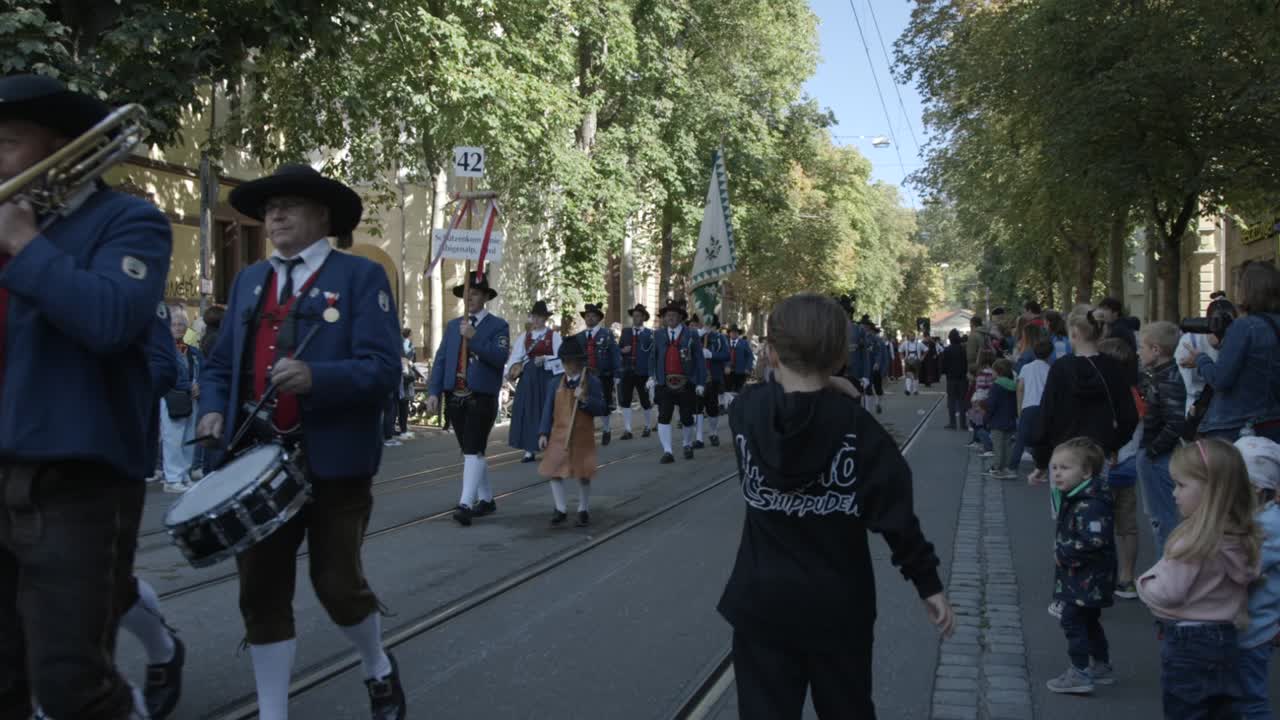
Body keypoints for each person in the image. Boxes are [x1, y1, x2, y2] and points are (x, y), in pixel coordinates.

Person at [198, 163, 405, 720]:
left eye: (289, 205)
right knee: (260, 591)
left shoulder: (360, 278)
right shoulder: (249, 281)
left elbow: (385, 370)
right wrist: (212, 411)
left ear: (323, 216)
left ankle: (377, 665)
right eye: (269, 208)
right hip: (257, 461)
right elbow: (219, 366)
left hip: (334, 462)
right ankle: (272, 712)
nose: (276, 215)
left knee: (338, 584)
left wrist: (321, 378)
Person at [0, 73, 171, 720]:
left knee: (72, 685)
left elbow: (109, 321)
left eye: (8, 141)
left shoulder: (128, 221)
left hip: (74, 481)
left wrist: (23, 244)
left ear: (60, 149)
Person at [717, 293, 953, 719]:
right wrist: (928, 584)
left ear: (770, 352)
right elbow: (897, 519)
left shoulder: (747, 413)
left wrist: (814, 381)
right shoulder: (860, 430)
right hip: (838, 603)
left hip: (762, 600)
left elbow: (768, 393)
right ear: (843, 355)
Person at [1137, 439, 1261, 719]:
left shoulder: (1193, 543)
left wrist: (1144, 584)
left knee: (1186, 710)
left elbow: (1168, 592)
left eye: (1181, 485)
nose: (1173, 494)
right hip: (1228, 638)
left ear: (1210, 491)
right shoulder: (1239, 538)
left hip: (1188, 641)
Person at [426, 269, 511, 527]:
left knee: (473, 448)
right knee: (471, 450)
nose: (470, 298)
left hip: (481, 396)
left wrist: (473, 340)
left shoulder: (498, 326)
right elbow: (441, 361)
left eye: (474, 293)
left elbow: (499, 359)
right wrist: (434, 391)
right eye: (467, 293)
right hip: (456, 396)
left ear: (485, 296)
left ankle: (465, 503)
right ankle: (486, 499)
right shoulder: (453, 326)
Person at [1031, 308, 1139, 485]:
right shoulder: (1113, 367)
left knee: (1065, 509)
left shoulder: (1061, 368)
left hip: (1063, 454)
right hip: (1098, 453)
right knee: (1097, 506)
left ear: (1073, 333)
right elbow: (1128, 415)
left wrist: (1041, 461)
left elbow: (1046, 415)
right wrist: (1113, 445)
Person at [1045, 437, 1117, 694]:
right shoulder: (1078, 496)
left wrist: (1063, 554)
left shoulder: (1090, 504)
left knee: (1072, 620)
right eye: (1054, 468)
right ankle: (1101, 665)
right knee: (1089, 620)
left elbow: (1093, 541)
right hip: (1085, 577)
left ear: (1086, 472)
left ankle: (1079, 672)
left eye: (1064, 468)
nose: (1056, 473)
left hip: (1087, 576)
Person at [1195, 262, 1280, 442]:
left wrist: (1201, 359)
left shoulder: (1245, 326)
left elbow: (1220, 380)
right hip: (1273, 423)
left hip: (1238, 426)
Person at [1232, 436, 1280, 719]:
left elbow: (1244, 571)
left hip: (1254, 629)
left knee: (1251, 700)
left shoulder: (1269, 525)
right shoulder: (1253, 518)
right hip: (1243, 626)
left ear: (1258, 488)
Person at [537, 336, 608, 527]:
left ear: (580, 361)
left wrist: (585, 399)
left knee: (583, 474)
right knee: (554, 472)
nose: (569, 365)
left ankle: (583, 509)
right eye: (565, 361)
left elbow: (602, 407)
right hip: (559, 435)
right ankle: (560, 509)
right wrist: (543, 433)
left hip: (582, 435)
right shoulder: (554, 384)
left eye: (572, 361)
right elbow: (547, 410)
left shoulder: (591, 382)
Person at [1138, 321, 1189, 554]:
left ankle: (1167, 573)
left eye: (1142, 347)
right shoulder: (1161, 375)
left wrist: (1152, 450)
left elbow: (1176, 421)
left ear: (1156, 350)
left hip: (1158, 456)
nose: (1139, 352)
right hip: (1155, 453)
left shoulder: (1168, 378)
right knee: (1160, 518)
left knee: (1162, 519)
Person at [1097, 337, 1142, 600]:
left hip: (1105, 467)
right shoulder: (1134, 392)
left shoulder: (1105, 394)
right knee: (1127, 526)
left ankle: (1101, 577)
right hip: (1128, 466)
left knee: (1099, 525)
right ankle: (1126, 577)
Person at [648, 300, 706, 463]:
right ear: (664, 318)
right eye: (667, 315)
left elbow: (699, 360)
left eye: (674, 315)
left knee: (687, 417)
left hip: (686, 382)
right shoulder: (658, 335)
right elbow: (653, 357)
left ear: (680, 317)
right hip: (664, 382)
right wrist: (651, 376)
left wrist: (700, 382)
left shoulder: (691, 334)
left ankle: (687, 444)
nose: (670, 318)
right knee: (664, 416)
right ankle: (668, 451)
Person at [505, 300, 561, 462]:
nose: (536, 320)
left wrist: (545, 358)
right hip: (529, 378)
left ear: (545, 318)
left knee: (548, 410)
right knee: (529, 410)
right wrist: (510, 371)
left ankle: (550, 447)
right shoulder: (525, 337)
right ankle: (529, 449)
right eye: (534, 317)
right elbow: (516, 356)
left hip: (548, 378)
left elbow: (561, 357)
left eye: (539, 317)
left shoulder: (554, 336)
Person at [160, 304, 203, 493]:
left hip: (191, 396)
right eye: (174, 324)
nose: (178, 327)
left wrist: (198, 384)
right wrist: (188, 385)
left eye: (182, 324)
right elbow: (166, 372)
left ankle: (184, 475)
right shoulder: (163, 344)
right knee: (173, 439)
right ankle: (172, 478)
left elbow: (204, 362)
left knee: (189, 438)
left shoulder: (191, 342)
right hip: (172, 395)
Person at [576, 302, 621, 445]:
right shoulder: (580, 337)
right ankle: (588, 432)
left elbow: (615, 354)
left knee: (604, 402)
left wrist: (617, 373)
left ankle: (606, 429)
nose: (589, 318)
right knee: (585, 402)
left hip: (603, 374)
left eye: (593, 316)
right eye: (587, 316)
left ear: (598, 318)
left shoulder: (606, 334)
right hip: (584, 375)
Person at [1011, 339, 1051, 481]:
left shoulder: (1026, 368)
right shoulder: (1049, 369)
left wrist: (1019, 408)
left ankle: (1012, 467)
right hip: (1043, 408)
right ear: (1049, 354)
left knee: (1021, 438)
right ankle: (1041, 468)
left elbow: (1020, 388)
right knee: (1042, 438)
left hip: (1028, 405)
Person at [692, 314, 729, 447]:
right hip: (698, 378)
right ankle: (699, 437)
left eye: (709, 324)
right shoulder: (696, 336)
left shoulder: (720, 338)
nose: (706, 326)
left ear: (714, 326)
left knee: (712, 409)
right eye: (704, 324)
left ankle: (713, 432)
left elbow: (726, 354)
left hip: (713, 378)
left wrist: (711, 354)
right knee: (697, 408)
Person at [618, 304, 655, 439]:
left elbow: (652, 355)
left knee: (644, 400)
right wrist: (622, 351)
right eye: (634, 316)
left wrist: (652, 374)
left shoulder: (649, 333)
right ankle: (627, 429)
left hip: (643, 371)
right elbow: (618, 348)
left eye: (638, 316)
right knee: (625, 400)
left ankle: (647, 426)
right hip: (627, 370)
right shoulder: (626, 331)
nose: (635, 318)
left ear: (644, 318)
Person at [986, 359, 1017, 479]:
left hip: (997, 420)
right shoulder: (1013, 385)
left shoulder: (996, 385)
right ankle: (1006, 467)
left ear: (998, 372)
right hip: (1010, 418)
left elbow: (992, 404)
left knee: (997, 445)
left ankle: (997, 467)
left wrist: (987, 418)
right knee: (1007, 445)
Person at [942, 329, 968, 429]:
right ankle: (963, 423)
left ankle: (952, 423)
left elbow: (944, 365)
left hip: (951, 378)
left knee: (951, 400)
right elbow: (966, 363)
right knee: (962, 400)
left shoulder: (947, 350)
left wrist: (945, 372)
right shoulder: (963, 349)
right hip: (962, 378)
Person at [724, 324, 754, 404]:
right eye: (732, 332)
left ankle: (739, 405)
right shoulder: (725, 343)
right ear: (729, 333)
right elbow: (722, 356)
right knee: (728, 391)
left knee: (739, 391)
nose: (734, 334)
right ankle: (729, 406)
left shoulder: (744, 343)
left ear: (738, 333)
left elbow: (750, 356)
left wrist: (748, 367)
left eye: (736, 332)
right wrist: (726, 366)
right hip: (727, 372)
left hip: (740, 372)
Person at [901, 331, 924, 395]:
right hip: (908, 361)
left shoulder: (919, 344)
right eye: (910, 336)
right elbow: (900, 350)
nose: (911, 337)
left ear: (914, 336)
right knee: (908, 375)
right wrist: (903, 358)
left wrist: (922, 357)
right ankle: (908, 390)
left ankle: (915, 390)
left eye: (912, 336)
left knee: (916, 376)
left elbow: (926, 350)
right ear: (908, 337)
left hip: (916, 361)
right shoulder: (905, 343)